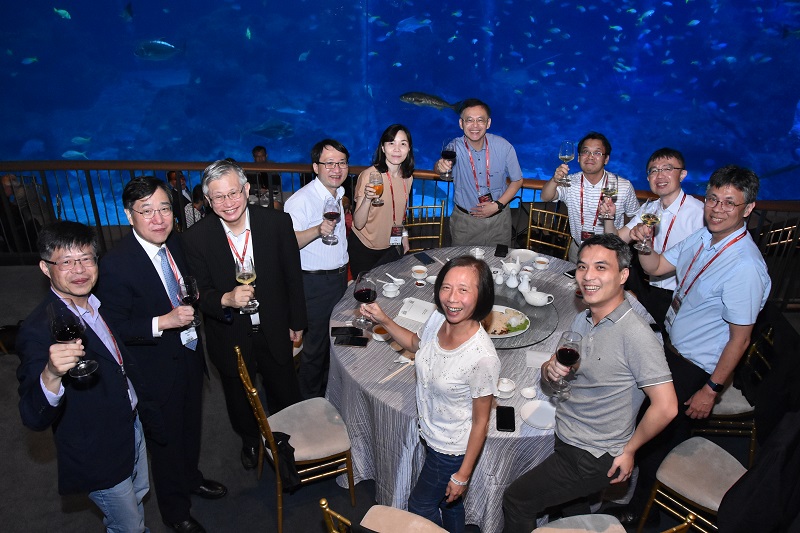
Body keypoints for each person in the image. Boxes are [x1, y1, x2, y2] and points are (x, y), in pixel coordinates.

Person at [618, 165, 771, 526]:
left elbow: (740, 339)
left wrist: (711, 389)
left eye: (729, 203)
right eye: (713, 199)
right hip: (671, 345)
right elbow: (656, 267)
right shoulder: (705, 236)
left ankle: (639, 514)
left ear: (748, 209)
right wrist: (644, 245)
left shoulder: (745, 267)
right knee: (646, 423)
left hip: (694, 366)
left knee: (657, 441)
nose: (717, 209)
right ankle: (631, 490)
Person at [501, 234, 677, 533]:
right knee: (571, 506)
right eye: (582, 267)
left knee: (517, 500)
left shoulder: (635, 334)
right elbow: (555, 369)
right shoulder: (584, 319)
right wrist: (549, 370)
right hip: (570, 432)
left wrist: (630, 450)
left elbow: (667, 407)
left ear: (623, 275)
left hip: (593, 454)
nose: (587, 276)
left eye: (600, 267)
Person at [96, 176, 226, 533]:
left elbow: (187, 289)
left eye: (165, 209)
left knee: (191, 427)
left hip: (189, 354)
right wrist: (162, 322)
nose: (158, 219)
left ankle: (191, 478)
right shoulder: (115, 264)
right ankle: (175, 512)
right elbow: (113, 329)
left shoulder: (176, 244)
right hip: (154, 370)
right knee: (166, 443)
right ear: (129, 215)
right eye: (147, 211)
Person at [17, 221, 165, 532]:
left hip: (130, 426)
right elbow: (32, 415)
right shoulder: (37, 330)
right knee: (129, 526)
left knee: (139, 495)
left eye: (86, 258)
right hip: (98, 450)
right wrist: (51, 373)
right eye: (66, 262)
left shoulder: (97, 304)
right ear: (45, 268)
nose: (79, 270)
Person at [360, 256, 500, 533]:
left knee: (420, 506)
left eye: (463, 289)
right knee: (450, 503)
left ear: (482, 295)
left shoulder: (482, 357)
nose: (452, 298)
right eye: (446, 287)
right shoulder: (439, 318)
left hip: (450, 448)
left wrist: (462, 475)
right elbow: (416, 343)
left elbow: (481, 422)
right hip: (432, 431)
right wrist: (384, 319)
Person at [183, 159, 306, 471]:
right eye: (218, 197)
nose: (228, 203)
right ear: (207, 200)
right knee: (239, 397)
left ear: (247, 189)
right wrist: (225, 299)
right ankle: (250, 439)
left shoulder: (277, 223)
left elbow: (293, 276)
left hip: (275, 326)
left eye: (233, 193)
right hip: (229, 334)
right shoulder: (196, 238)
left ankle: (288, 439)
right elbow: (198, 293)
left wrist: (297, 322)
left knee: (284, 388)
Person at [599, 148, 704, 323]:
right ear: (648, 178)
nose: (660, 175)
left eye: (668, 168)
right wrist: (609, 218)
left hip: (679, 296)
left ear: (682, 174)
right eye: (654, 170)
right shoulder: (649, 209)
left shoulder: (699, 214)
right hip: (647, 289)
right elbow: (615, 241)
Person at [284, 139, 350, 399]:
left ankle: (327, 396)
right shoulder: (301, 201)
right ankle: (308, 405)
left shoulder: (338, 194)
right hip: (314, 284)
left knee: (333, 344)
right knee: (315, 350)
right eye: (329, 163)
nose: (336, 169)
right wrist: (317, 230)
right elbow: (288, 244)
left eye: (341, 163)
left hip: (337, 280)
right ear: (315, 167)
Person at [434, 99, 523, 247]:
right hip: (466, 223)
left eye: (480, 120)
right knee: (464, 260)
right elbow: (439, 167)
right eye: (469, 120)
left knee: (499, 260)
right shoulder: (454, 147)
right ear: (461, 123)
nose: (475, 125)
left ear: (488, 123)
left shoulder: (504, 146)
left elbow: (517, 180)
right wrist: (439, 166)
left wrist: (497, 205)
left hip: (499, 221)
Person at [541, 132, 640, 262]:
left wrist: (623, 241)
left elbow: (636, 217)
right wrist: (555, 180)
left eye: (597, 153)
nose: (590, 157)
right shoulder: (570, 182)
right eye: (585, 152)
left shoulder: (623, 186)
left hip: (610, 253)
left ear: (606, 159)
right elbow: (545, 197)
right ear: (578, 157)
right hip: (578, 250)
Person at [349, 124, 415, 276]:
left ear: (409, 149)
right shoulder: (370, 176)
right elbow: (358, 224)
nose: (397, 149)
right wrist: (367, 199)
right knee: (367, 289)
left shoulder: (407, 177)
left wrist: (404, 236)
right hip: (365, 248)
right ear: (383, 148)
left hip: (391, 246)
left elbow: (399, 214)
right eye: (391, 143)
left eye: (402, 144)